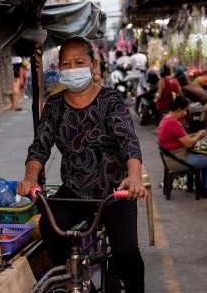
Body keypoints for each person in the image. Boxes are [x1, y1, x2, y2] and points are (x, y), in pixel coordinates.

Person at [18, 37, 146, 293]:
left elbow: (129, 143)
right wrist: (30, 177)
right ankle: (69, 278)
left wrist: (134, 177)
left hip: (115, 192)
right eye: (66, 63)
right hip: (74, 192)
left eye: (79, 62)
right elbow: (39, 147)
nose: (72, 67)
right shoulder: (54, 106)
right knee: (48, 226)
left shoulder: (111, 100)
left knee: (125, 252)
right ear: (60, 69)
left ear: (93, 64)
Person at [157, 95, 207, 199]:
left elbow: (181, 138)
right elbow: (189, 144)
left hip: (172, 158)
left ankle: (203, 185)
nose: (186, 113)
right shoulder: (172, 123)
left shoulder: (165, 119)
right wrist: (199, 135)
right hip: (178, 160)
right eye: (185, 110)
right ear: (180, 109)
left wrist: (194, 134)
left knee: (204, 156)